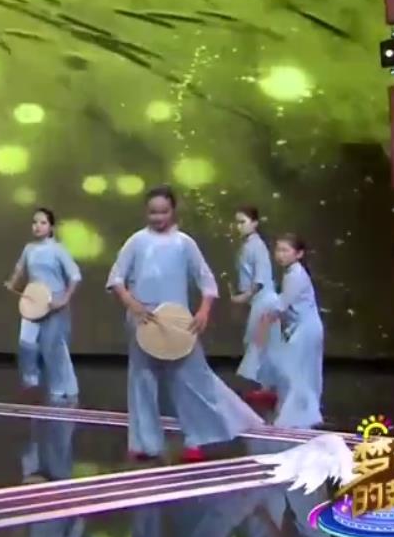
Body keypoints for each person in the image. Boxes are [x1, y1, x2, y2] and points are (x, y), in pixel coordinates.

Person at [106, 185, 260, 461]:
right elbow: (116, 278)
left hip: (177, 321)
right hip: (142, 319)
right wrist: (132, 303)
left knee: (192, 378)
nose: (158, 217)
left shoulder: (184, 243)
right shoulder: (136, 241)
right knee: (142, 380)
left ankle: (197, 437)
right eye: (153, 212)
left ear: (173, 211)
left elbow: (206, 280)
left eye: (163, 211)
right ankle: (145, 444)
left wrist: (203, 312)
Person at [4, 207, 81, 405]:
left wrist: (64, 299)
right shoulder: (29, 249)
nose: (37, 226)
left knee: (53, 348)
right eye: (34, 222)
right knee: (26, 341)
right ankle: (31, 376)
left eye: (43, 223)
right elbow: (20, 269)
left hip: (54, 302)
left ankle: (60, 388)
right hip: (33, 301)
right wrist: (12, 283)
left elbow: (74, 276)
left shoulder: (58, 249)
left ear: (51, 227)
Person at [259, 234, 324, 429]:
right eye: (278, 250)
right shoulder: (291, 273)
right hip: (301, 328)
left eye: (285, 250)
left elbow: (282, 305)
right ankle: (300, 415)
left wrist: (264, 322)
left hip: (306, 329)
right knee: (297, 372)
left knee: (296, 372)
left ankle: (298, 416)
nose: (280, 255)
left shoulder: (296, 275)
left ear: (299, 254)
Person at [229, 206, 281, 405]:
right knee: (259, 343)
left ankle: (267, 388)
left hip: (264, 301)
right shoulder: (247, 245)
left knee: (259, 343)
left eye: (243, 222)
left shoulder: (257, 246)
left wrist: (244, 297)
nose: (239, 226)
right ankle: (265, 388)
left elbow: (259, 279)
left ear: (255, 223)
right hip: (258, 301)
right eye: (237, 222)